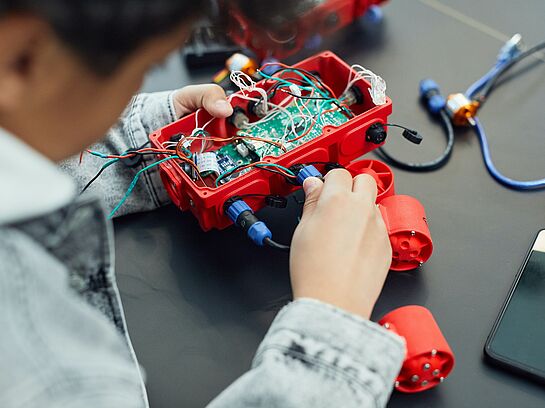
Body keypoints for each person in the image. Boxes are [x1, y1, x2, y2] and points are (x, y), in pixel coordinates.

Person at [0, 1, 405, 407]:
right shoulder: (47, 377)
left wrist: (150, 139)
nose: (137, 82)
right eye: (144, 68)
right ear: (22, 55)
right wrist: (331, 328)